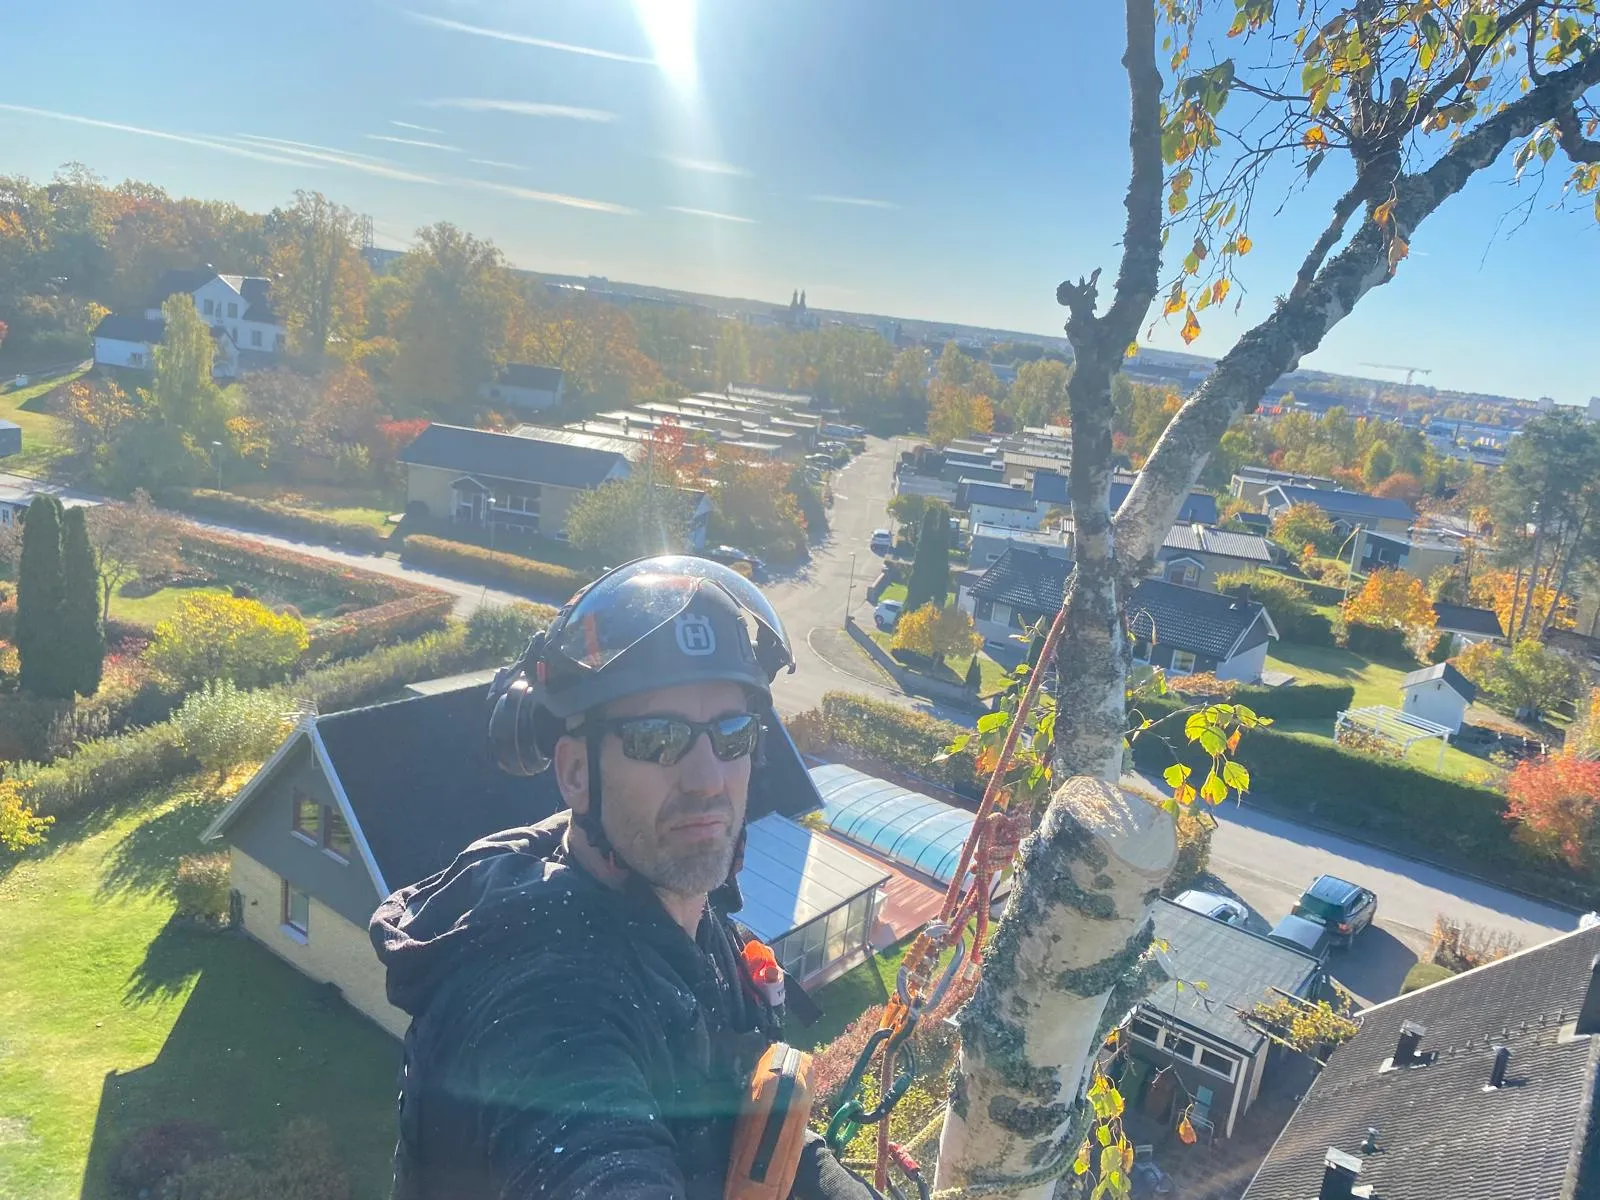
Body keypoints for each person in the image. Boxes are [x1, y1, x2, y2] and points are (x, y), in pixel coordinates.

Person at [370, 556, 880, 1200]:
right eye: (657, 738)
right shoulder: (544, 990)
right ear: (576, 773)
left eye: (732, 732)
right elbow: (590, 1150)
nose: (707, 779)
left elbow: (726, 1098)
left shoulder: (694, 930)